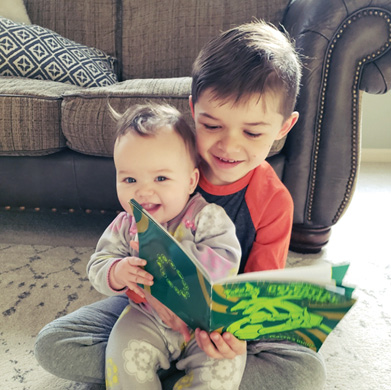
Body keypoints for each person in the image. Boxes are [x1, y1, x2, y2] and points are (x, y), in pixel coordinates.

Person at [35, 21, 327, 389]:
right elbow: (121, 249)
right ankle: (155, 367)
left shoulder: (273, 202)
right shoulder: (164, 172)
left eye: (252, 132)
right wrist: (134, 287)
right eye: (212, 125)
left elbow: (258, 290)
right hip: (145, 311)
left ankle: (158, 371)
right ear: (193, 111)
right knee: (54, 343)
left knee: (305, 370)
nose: (229, 147)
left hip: (219, 324)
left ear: (284, 128)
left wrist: (236, 336)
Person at [88, 103, 244, 389]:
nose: (144, 191)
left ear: (190, 180)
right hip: (146, 316)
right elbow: (98, 264)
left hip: (205, 324)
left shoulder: (206, 217)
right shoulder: (125, 224)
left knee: (226, 364)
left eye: (161, 178)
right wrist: (117, 272)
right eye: (130, 179)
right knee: (121, 352)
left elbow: (227, 261)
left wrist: (175, 256)